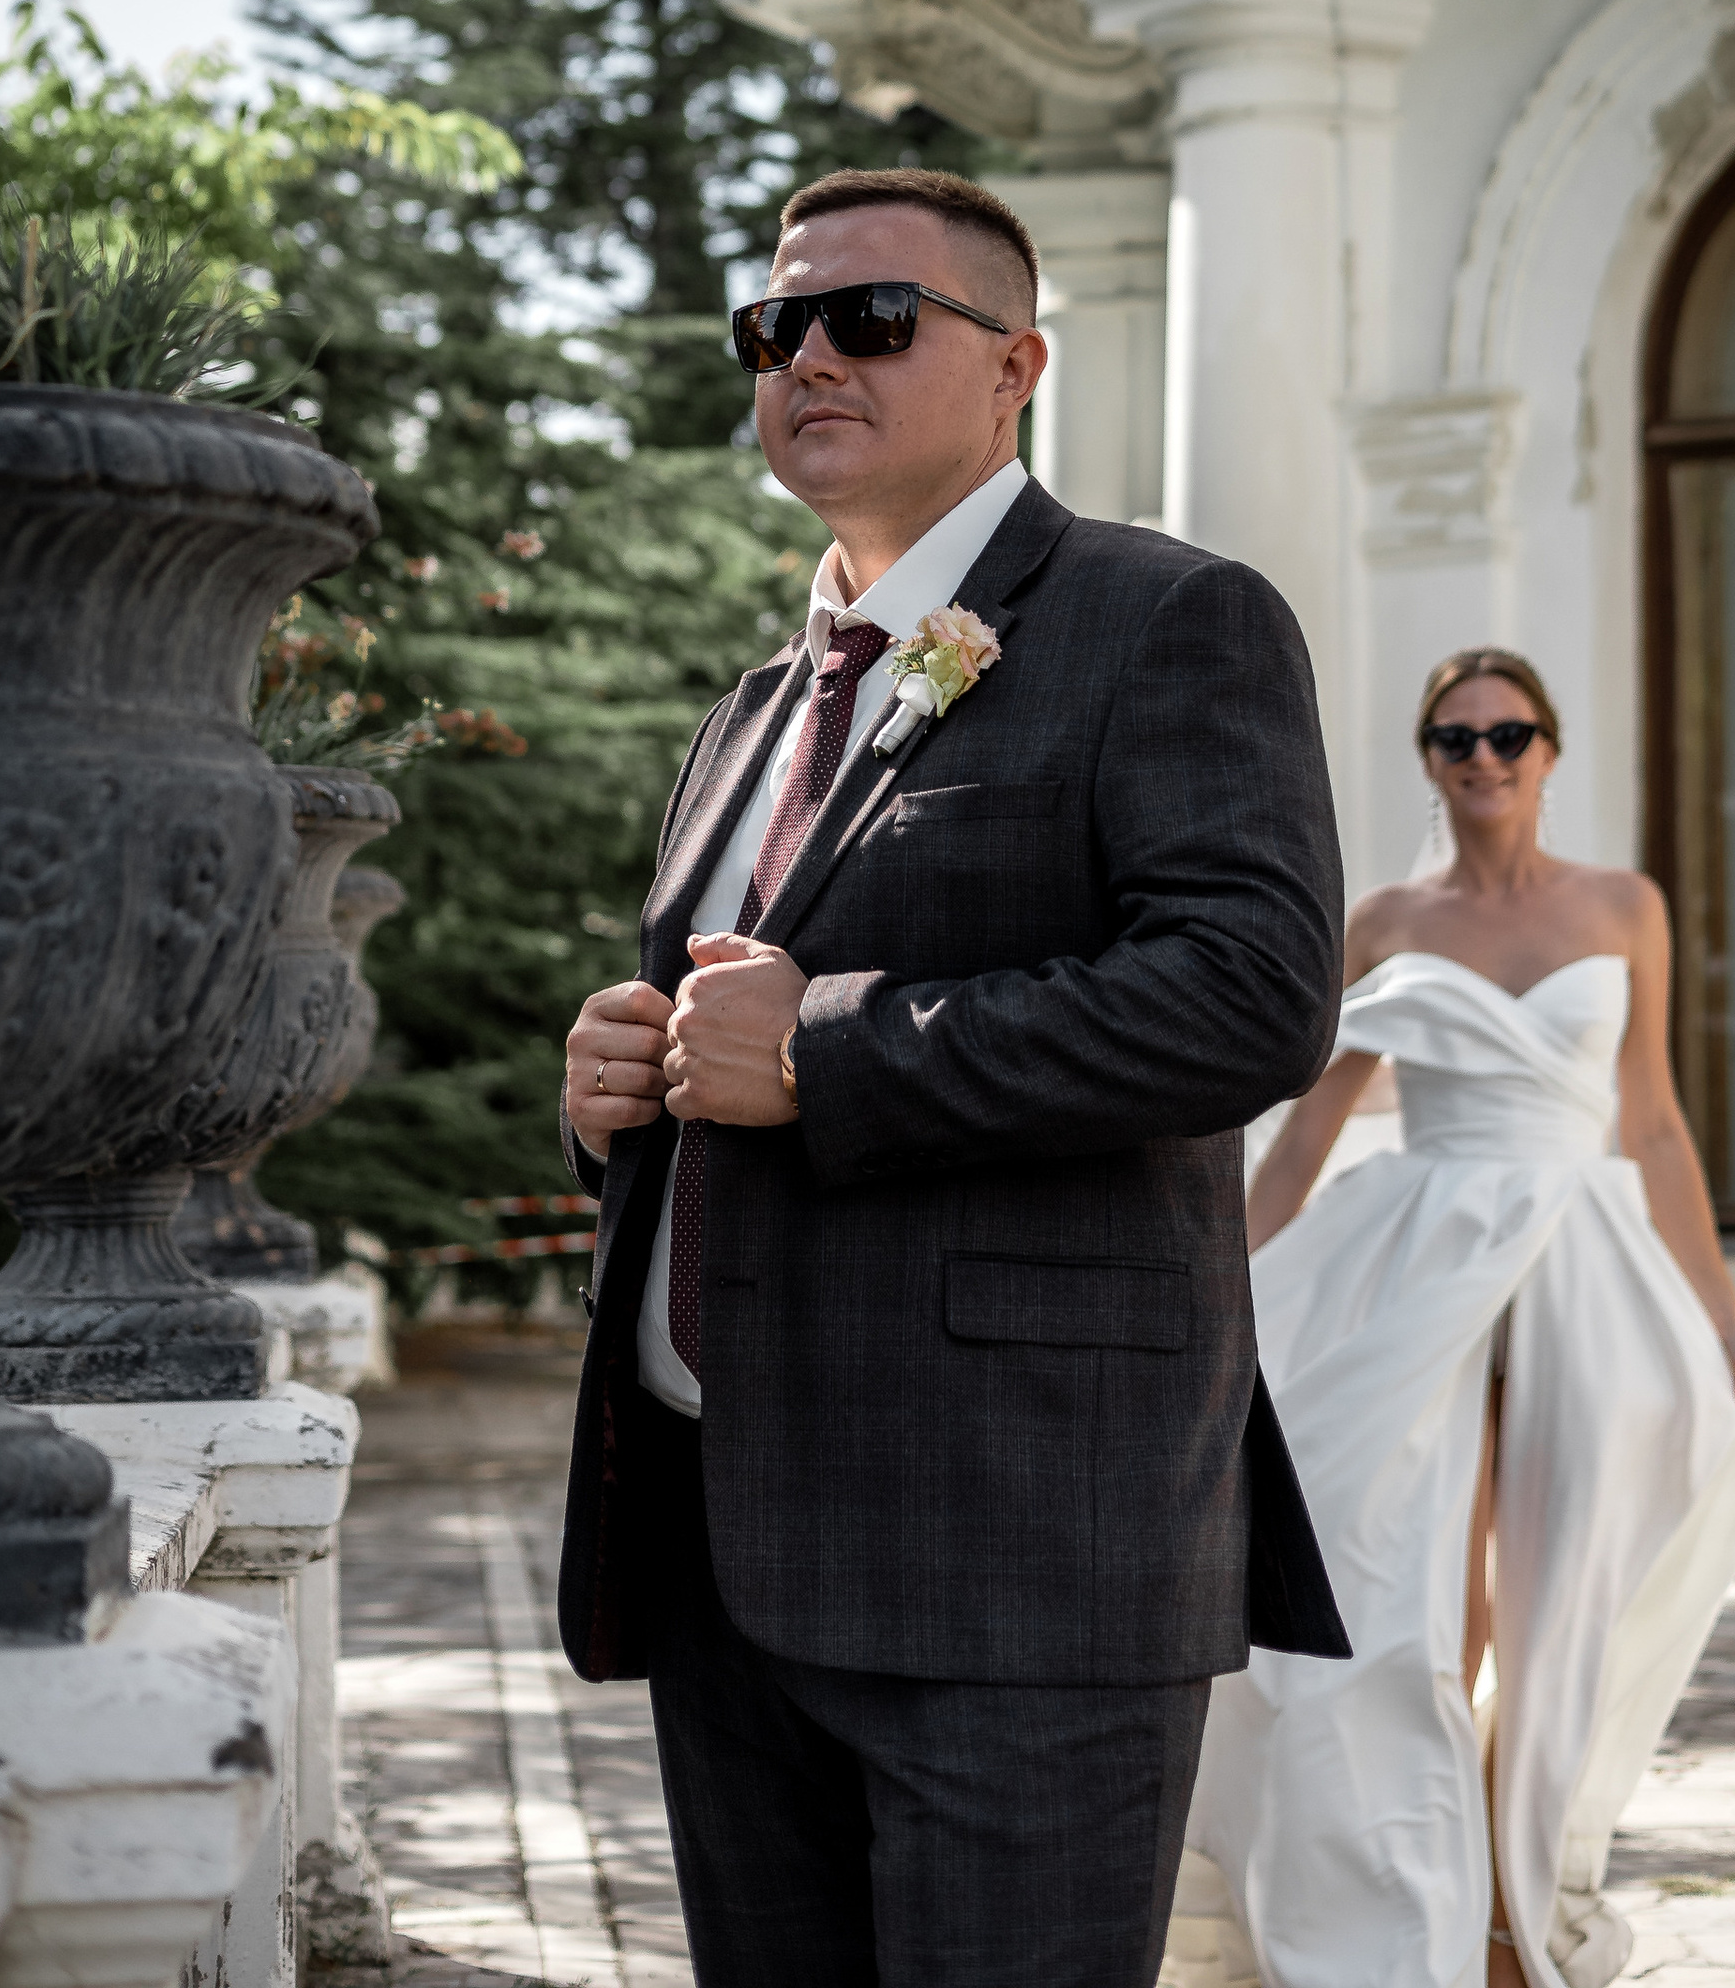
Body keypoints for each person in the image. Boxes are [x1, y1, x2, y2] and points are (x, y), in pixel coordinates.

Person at [555, 163, 1351, 1988]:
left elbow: (1250, 998)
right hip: (728, 1547)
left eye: (874, 318)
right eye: (778, 325)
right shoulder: (750, 714)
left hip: (1018, 1564)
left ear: (1018, 368)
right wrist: (630, 1090)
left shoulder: (1171, 618)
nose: (810, 353)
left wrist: (830, 1051)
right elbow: (724, 1055)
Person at [1192, 646, 1735, 1988]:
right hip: (1423, 1254)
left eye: (1510, 735)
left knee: (1561, 1595)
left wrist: (1720, 1310)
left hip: (1583, 1265)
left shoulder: (1626, 907)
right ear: (1430, 763)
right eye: (1457, 740)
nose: (1485, 759)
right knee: (1407, 1593)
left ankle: (1516, 1911)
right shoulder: (1385, 920)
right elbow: (1302, 1137)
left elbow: (1658, 1122)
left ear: (1551, 753)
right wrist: (1221, 1288)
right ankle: (1419, 1910)